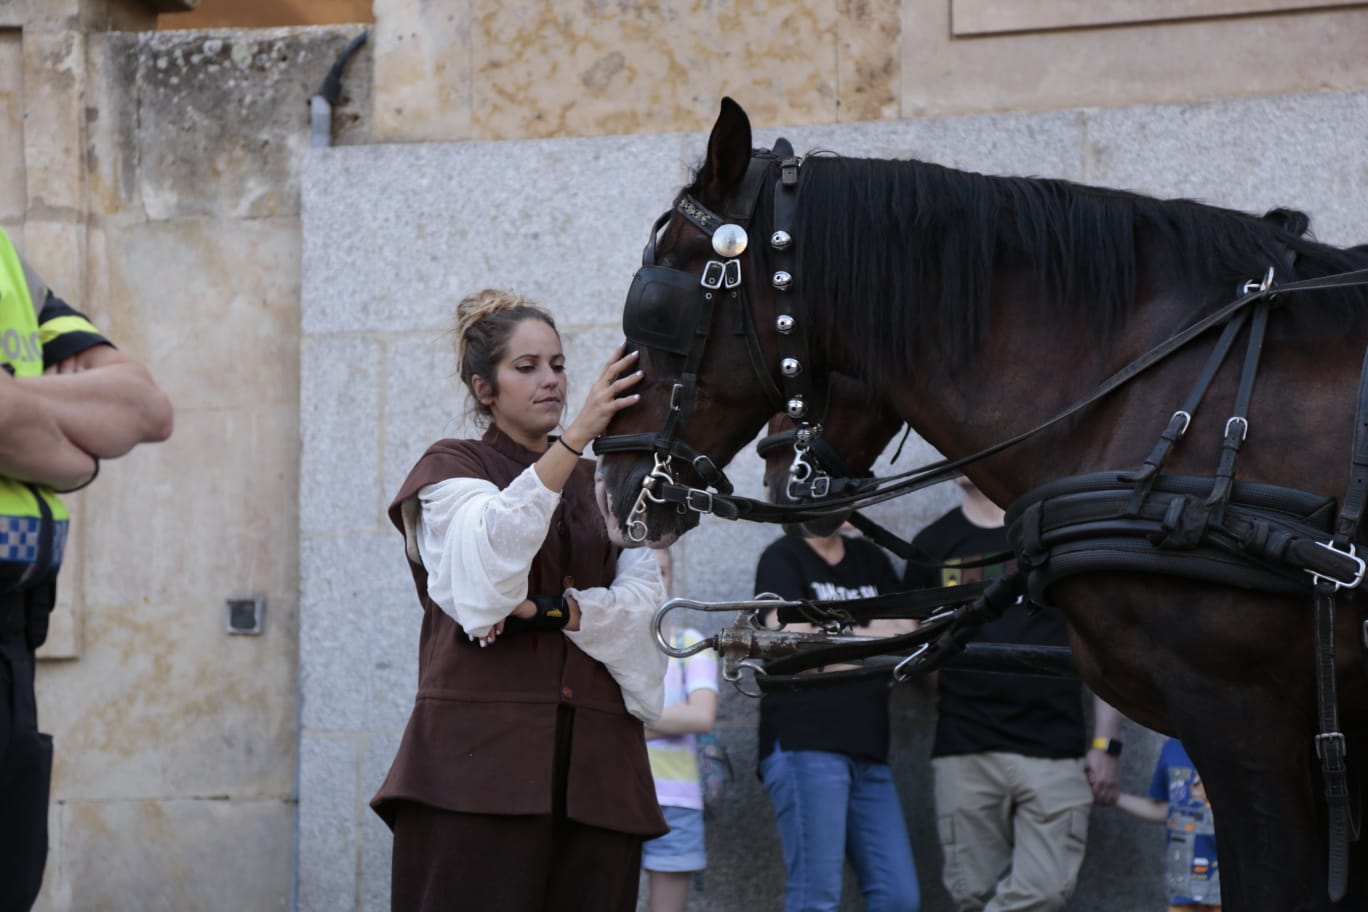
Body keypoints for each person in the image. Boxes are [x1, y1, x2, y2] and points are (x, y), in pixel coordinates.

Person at [371, 288, 669, 912]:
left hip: (600, 777)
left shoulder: (605, 484)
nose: (551, 380)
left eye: (558, 365)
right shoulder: (452, 468)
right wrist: (578, 435)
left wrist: (554, 612)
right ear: (485, 389)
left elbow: (647, 607)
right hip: (477, 772)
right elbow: (485, 576)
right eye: (526, 367)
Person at [0, 227, 174, 911]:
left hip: (13, 640)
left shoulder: (8, 260)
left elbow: (145, 409)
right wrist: (74, 455)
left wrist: (21, 403)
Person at [904, 475, 1122, 912]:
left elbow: (1103, 650)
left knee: (1046, 890)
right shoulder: (932, 544)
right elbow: (918, 648)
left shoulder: (1054, 540)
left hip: (1055, 747)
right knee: (973, 895)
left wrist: (1107, 744)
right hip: (966, 748)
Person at [754, 524, 922, 912]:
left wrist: (830, 639)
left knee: (898, 898)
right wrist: (875, 635)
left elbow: (909, 636)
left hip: (869, 749)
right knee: (816, 898)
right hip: (805, 744)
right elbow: (794, 646)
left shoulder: (870, 558)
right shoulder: (784, 556)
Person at [641, 547, 720, 912]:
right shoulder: (604, 648)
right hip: (614, 795)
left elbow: (701, 717)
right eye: (645, 570)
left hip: (677, 803)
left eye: (662, 571)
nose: (656, 581)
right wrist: (670, 720)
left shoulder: (691, 644)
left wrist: (629, 722)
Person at [1111, 737, 1220, 912]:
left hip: (1227, 889)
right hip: (1182, 890)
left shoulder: (1236, 746)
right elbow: (1165, 809)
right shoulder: (1172, 747)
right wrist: (1114, 797)